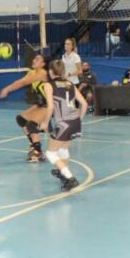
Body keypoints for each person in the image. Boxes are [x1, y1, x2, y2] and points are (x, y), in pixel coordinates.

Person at [42, 60, 88, 191]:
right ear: (62, 71)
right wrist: (80, 119)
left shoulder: (48, 85)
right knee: (62, 149)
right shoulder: (70, 83)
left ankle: (70, 178)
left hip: (63, 123)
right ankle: (63, 173)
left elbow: (50, 107)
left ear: (50, 71)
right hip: (75, 121)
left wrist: (45, 123)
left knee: (51, 153)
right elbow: (84, 104)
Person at [0, 53, 49, 162]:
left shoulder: (42, 73)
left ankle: (38, 152)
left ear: (43, 64)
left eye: (38, 59)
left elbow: (21, 83)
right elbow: (23, 81)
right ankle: (34, 145)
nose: (34, 60)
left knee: (31, 125)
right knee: (21, 119)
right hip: (41, 104)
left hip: (50, 105)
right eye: (34, 58)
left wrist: (7, 89)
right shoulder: (32, 72)